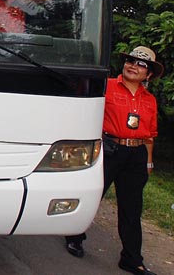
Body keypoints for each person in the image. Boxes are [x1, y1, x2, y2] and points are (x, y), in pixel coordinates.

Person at [65, 46, 162, 275]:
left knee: (131, 207)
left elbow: (150, 135)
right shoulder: (106, 86)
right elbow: (83, 114)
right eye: (130, 60)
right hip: (108, 149)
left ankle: (131, 258)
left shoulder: (149, 100)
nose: (133, 66)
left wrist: (148, 161)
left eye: (141, 64)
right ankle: (74, 236)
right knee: (93, 196)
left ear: (148, 75)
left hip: (136, 155)